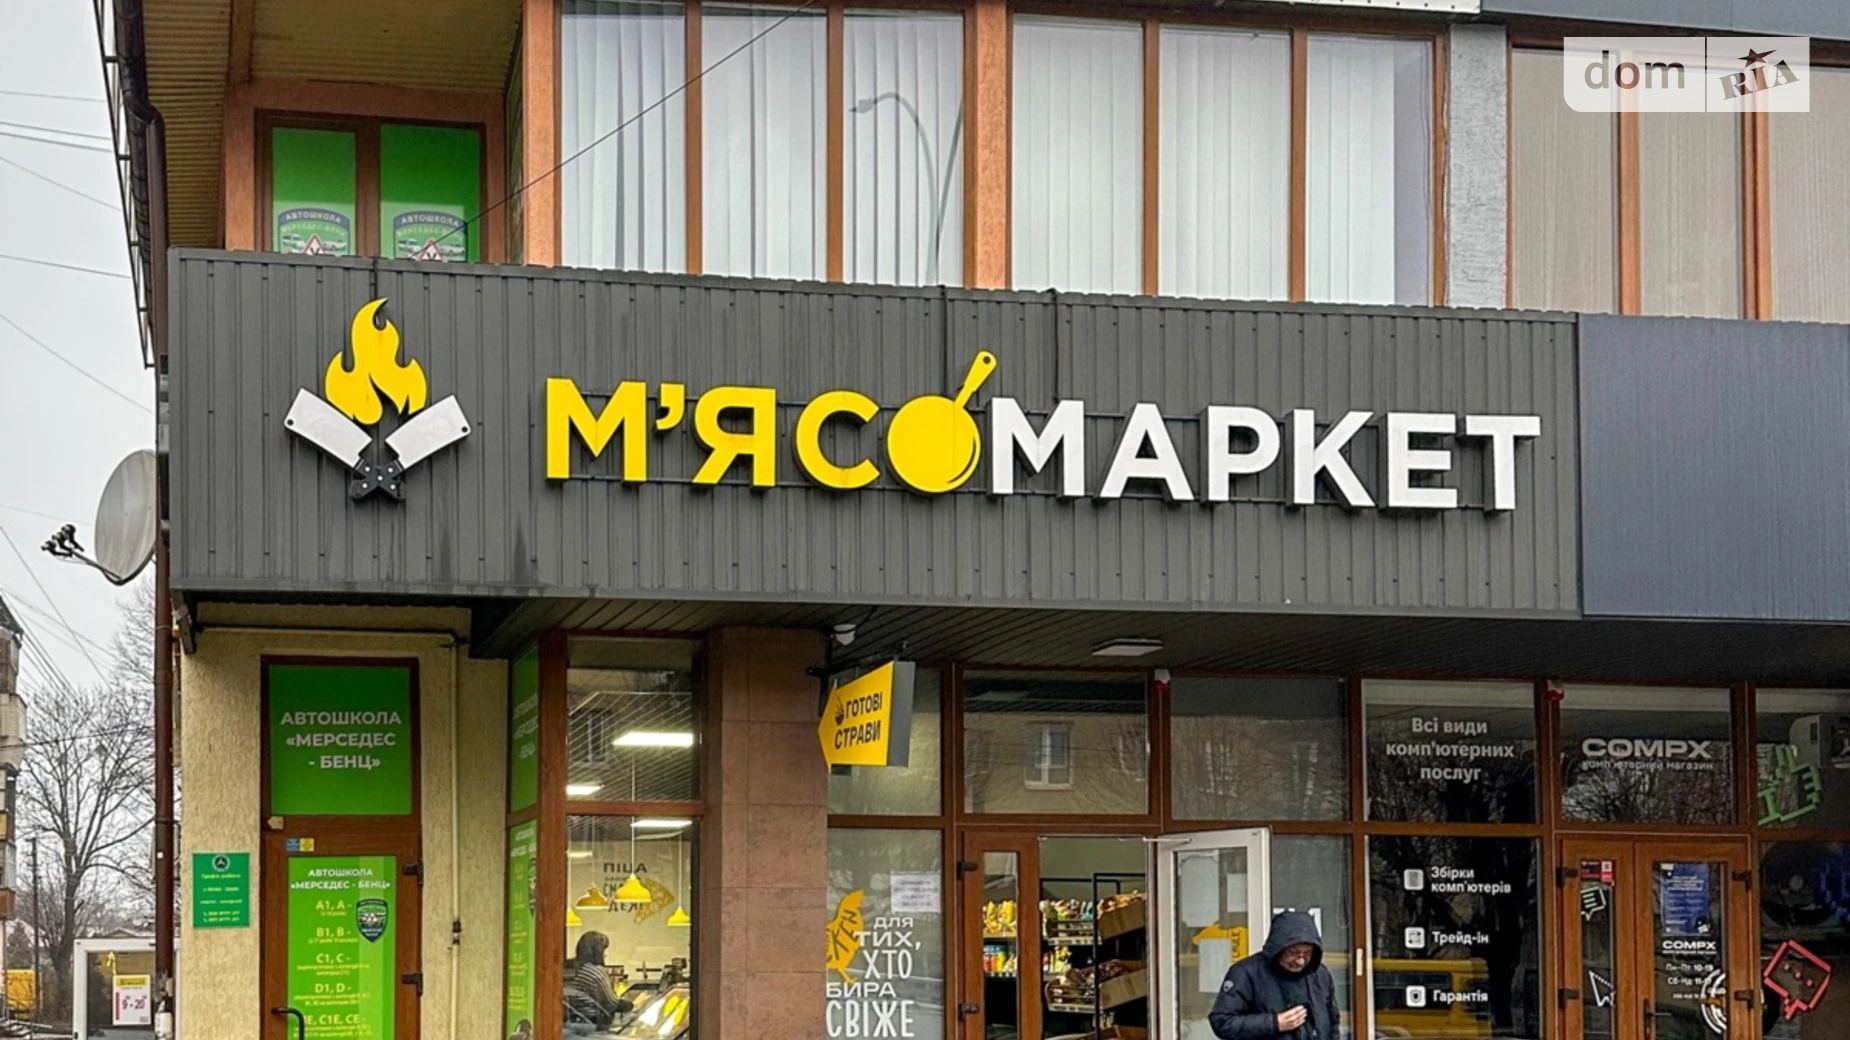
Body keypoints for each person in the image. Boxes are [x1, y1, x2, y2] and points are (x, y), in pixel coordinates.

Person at [1208, 910, 1340, 1040]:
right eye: (1293, 953)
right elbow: (1222, 1021)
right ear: (1278, 949)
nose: (1300, 961)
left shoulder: (1319, 974)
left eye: (1307, 953)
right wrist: (1274, 1023)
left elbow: (1333, 1023)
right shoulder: (1246, 973)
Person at [564, 931, 635, 1030]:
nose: (605, 955)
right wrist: (631, 1005)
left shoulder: (568, 966)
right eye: (603, 950)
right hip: (588, 1025)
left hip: (565, 1025)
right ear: (597, 951)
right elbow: (610, 1003)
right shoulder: (596, 972)